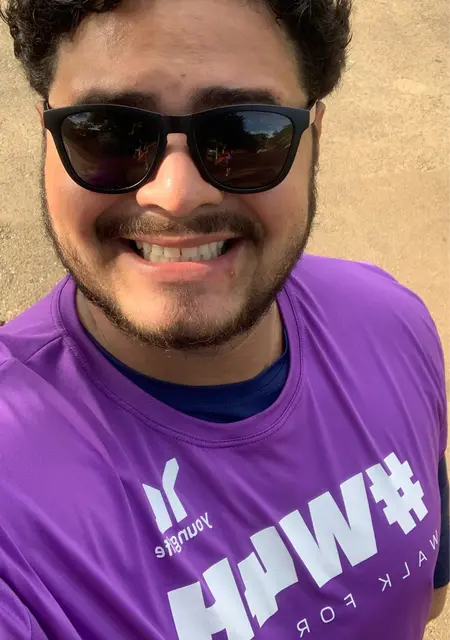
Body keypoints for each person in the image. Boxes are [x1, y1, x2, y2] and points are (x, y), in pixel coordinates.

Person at [0, 0, 448, 638]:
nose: (176, 195)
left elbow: (427, 595)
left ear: (314, 139)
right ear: (47, 138)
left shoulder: (393, 327)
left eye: (243, 134)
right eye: (107, 134)